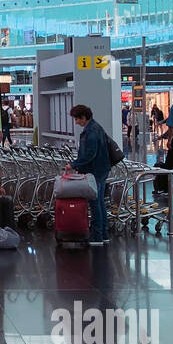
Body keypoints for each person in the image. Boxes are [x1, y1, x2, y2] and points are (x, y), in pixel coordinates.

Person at [65, 104, 113, 246]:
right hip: (101, 169)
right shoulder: (96, 128)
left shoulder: (91, 132)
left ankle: (97, 236)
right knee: (100, 203)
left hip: (94, 171)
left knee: (95, 203)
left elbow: (90, 154)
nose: (76, 122)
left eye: (77, 119)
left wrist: (73, 164)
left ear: (84, 117)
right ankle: (104, 234)